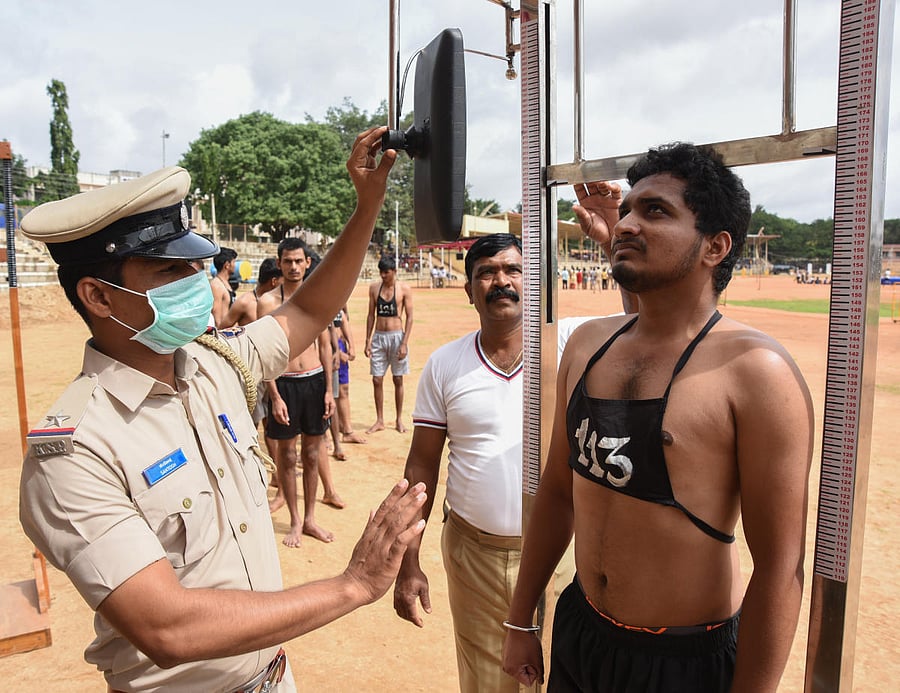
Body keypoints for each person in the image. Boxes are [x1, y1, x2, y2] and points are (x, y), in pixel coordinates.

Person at [18, 127, 428, 692]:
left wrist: (367, 207)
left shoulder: (212, 364)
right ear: (98, 296)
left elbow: (308, 309)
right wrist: (352, 584)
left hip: (273, 677)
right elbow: (169, 628)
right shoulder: (76, 450)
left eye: (194, 266)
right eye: (169, 271)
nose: (196, 282)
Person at [502, 142, 814, 692]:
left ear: (716, 246)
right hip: (582, 630)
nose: (626, 224)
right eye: (628, 210)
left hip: (682, 660)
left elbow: (780, 569)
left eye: (656, 211)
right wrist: (521, 617)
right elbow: (557, 489)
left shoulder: (755, 373)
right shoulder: (587, 345)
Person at [393, 233, 524, 693]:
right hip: (473, 555)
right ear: (469, 290)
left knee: (560, 671)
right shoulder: (445, 364)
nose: (500, 281)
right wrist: (409, 561)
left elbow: (641, 323)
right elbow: (422, 467)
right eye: (486, 273)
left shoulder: (564, 350)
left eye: (512, 270)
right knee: (487, 680)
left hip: (558, 554)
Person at [258, 237, 343, 547]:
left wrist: (329, 392)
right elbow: (264, 353)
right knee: (287, 453)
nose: (293, 267)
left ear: (308, 262)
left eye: (298, 261)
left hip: (315, 382)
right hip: (284, 384)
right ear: (279, 264)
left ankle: (309, 519)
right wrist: (275, 395)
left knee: (310, 452)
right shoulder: (268, 303)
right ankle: (294, 520)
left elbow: (324, 346)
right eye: (287, 261)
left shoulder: (318, 298)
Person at [364, 255, 414, 434]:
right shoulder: (374, 288)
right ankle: (379, 420)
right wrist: (367, 340)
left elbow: (410, 318)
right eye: (381, 273)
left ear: (394, 271)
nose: (383, 276)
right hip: (379, 337)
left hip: (396, 337)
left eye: (386, 272)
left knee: (397, 378)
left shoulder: (403, 289)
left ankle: (399, 419)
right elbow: (371, 315)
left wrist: (404, 343)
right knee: (377, 379)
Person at [221, 256, 282, 328]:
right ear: (274, 281)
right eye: (284, 281)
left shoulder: (282, 302)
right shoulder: (244, 302)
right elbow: (221, 330)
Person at [210, 246, 237, 327]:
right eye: (234, 262)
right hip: (223, 334)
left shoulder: (225, 283)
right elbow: (216, 317)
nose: (235, 266)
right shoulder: (216, 285)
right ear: (227, 265)